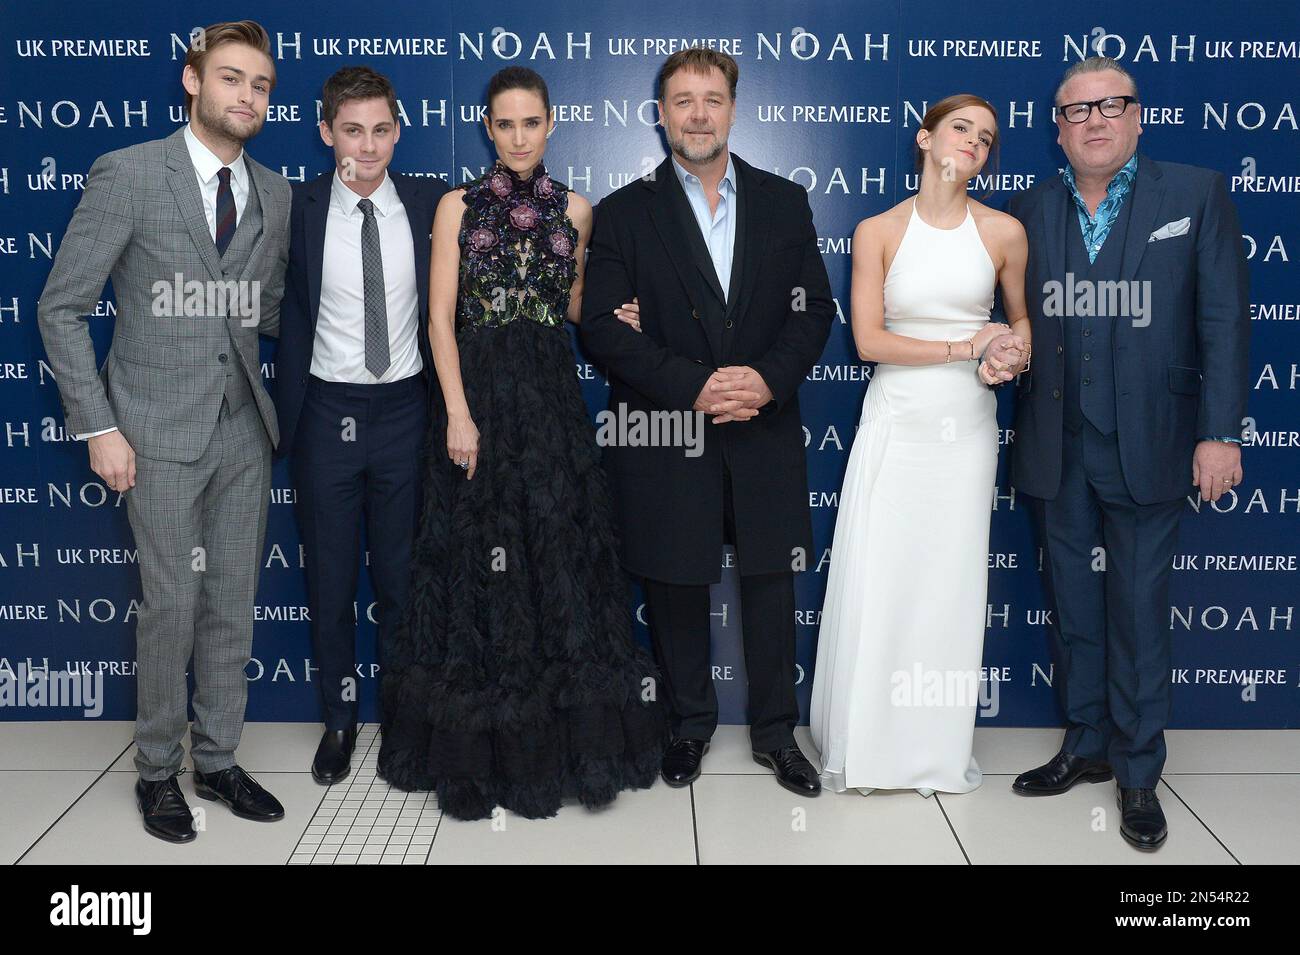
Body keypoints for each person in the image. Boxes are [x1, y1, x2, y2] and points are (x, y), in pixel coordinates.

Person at [377, 67, 665, 820]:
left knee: (558, 551)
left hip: (549, 397)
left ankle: (567, 742)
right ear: (487, 127)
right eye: (504, 124)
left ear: (550, 123)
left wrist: (610, 312)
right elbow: (440, 319)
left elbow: (565, 299)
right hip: (477, 391)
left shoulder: (576, 209)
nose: (517, 136)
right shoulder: (455, 205)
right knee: (477, 556)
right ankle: (485, 746)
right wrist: (458, 414)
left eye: (529, 122)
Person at [36, 21, 290, 842]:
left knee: (230, 605)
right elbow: (61, 306)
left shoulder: (277, 192)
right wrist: (99, 426)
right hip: (151, 431)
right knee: (171, 605)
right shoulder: (131, 173)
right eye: (230, 78)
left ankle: (216, 759)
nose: (246, 96)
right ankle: (156, 770)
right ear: (192, 80)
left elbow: (269, 309)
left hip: (244, 429)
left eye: (260, 85)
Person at [1006, 57, 1250, 851]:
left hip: (1153, 442)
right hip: (1058, 442)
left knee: (1139, 614)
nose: (1096, 120)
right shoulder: (1030, 209)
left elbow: (1223, 322)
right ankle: (1086, 744)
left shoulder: (1194, 193)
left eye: (1112, 105)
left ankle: (1140, 770)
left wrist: (1220, 431)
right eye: (1077, 111)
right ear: (1058, 128)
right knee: (1074, 606)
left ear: (1139, 116)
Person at [581, 49, 834, 796]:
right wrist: (697, 388)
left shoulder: (785, 202)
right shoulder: (624, 212)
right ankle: (687, 725)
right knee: (674, 584)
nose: (697, 113)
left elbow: (814, 309)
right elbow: (603, 327)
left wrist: (765, 379)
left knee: (768, 584)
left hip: (762, 423)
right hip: (666, 430)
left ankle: (776, 733)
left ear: (732, 108)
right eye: (682, 100)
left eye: (712, 98)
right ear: (659, 115)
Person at [809, 95, 1030, 798]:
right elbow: (869, 341)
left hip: (966, 427)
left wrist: (1008, 354)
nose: (974, 143)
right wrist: (968, 343)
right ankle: (870, 745)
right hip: (899, 419)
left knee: (949, 582)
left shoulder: (1004, 233)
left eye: (987, 138)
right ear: (925, 137)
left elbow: (1022, 326)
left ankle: (932, 749)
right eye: (961, 128)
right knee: (887, 577)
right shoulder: (877, 230)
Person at [273, 67, 448, 785]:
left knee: (405, 580)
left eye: (381, 130)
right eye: (352, 130)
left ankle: (407, 721)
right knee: (333, 580)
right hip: (326, 415)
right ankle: (340, 719)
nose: (367, 146)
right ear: (326, 133)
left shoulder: (437, 203)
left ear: (398, 130)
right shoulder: (297, 208)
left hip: (407, 411)